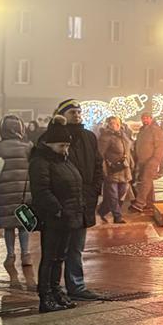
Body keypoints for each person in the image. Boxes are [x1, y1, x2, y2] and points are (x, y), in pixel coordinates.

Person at [28, 127, 86, 313]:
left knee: (59, 257)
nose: (65, 149)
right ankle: (45, 296)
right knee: (50, 257)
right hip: (54, 218)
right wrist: (58, 210)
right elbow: (42, 191)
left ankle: (56, 291)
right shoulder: (40, 162)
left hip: (68, 217)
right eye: (62, 145)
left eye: (67, 145)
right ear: (49, 144)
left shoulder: (63, 160)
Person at [51, 100, 105, 301]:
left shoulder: (89, 137)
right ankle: (53, 288)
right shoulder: (54, 136)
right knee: (58, 249)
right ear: (62, 114)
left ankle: (76, 285)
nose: (77, 115)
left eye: (78, 112)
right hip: (64, 201)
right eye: (72, 112)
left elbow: (98, 166)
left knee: (76, 247)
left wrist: (94, 192)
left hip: (84, 201)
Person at [0, 114, 34, 273]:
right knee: (24, 225)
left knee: (8, 227)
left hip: (4, 191)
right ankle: (26, 254)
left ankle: (10, 254)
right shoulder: (28, 146)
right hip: (25, 191)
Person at [96, 115, 132, 224]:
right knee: (113, 195)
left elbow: (129, 150)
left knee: (122, 193)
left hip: (125, 169)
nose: (114, 125)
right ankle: (117, 216)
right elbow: (100, 154)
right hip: (112, 170)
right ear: (108, 125)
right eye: (111, 123)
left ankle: (103, 210)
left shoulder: (123, 135)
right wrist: (104, 170)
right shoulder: (105, 137)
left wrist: (132, 164)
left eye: (116, 123)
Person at [130, 111, 163, 213]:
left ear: (151, 118)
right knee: (147, 181)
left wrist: (155, 160)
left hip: (151, 161)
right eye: (143, 118)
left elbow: (160, 147)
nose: (145, 120)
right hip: (142, 160)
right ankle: (149, 203)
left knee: (145, 181)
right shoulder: (143, 130)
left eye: (147, 118)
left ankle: (139, 203)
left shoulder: (156, 130)